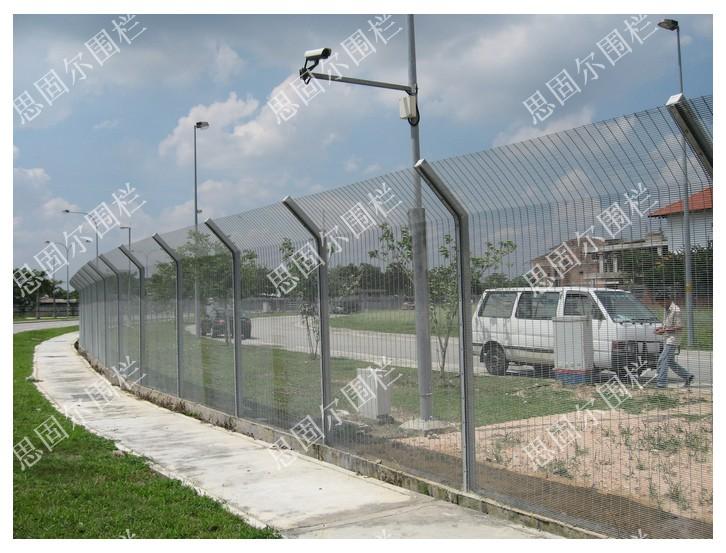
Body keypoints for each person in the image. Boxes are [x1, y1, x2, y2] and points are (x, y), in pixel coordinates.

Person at [654, 292, 694, 388]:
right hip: (667, 338)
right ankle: (687, 376)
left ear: (667, 300)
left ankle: (661, 383)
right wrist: (661, 328)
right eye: (659, 303)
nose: (660, 305)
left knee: (662, 360)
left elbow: (680, 326)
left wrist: (664, 330)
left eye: (661, 303)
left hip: (673, 340)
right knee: (670, 361)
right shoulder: (666, 309)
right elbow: (668, 325)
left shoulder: (676, 310)